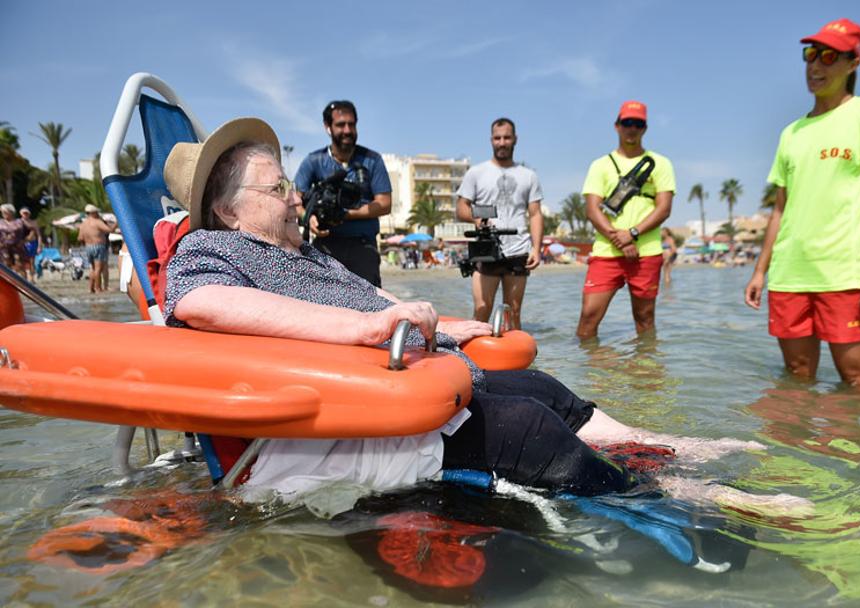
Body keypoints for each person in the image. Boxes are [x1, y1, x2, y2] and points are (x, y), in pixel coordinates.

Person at [161, 117, 791, 510]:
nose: (297, 197)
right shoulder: (208, 248)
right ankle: (691, 501)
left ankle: (665, 450)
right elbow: (198, 303)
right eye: (278, 190)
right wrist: (363, 328)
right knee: (526, 429)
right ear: (227, 210)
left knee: (546, 392)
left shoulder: (306, 255)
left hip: (398, 374)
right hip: (337, 417)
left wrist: (443, 323)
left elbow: (371, 297)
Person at [743, 19, 860, 391]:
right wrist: (759, 271)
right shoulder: (791, 132)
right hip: (790, 273)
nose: (816, 66)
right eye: (811, 55)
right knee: (797, 378)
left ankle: (846, 450)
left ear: (854, 63)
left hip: (846, 272)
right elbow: (780, 209)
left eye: (829, 56)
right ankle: (800, 451)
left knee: (856, 380)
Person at [576, 101, 675, 339]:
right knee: (588, 318)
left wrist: (632, 233)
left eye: (638, 124)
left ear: (645, 128)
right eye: (627, 123)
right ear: (617, 126)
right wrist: (619, 239)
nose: (632, 128)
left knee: (645, 319)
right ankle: (590, 375)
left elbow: (664, 209)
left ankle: (645, 373)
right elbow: (592, 209)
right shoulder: (600, 165)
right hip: (606, 252)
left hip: (647, 253)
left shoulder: (660, 164)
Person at [456, 118, 544, 329]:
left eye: (506, 137)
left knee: (513, 313)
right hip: (487, 249)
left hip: (518, 249)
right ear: (491, 140)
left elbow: (535, 214)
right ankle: (471, 359)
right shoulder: (476, 173)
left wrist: (537, 248)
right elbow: (461, 208)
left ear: (515, 139)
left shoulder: (528, 175)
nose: (502, 142)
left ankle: (516, 362)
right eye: (497, 138)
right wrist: (477, 218)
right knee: (482, 309)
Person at [295, 100, 391, 287]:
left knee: (370, 304)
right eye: (340, 125)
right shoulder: (314, 161)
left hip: (363, 246)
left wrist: (346, 215)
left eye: (351, 124)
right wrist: (309, 217)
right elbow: (295, 201)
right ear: (328, 127)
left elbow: (385, 203)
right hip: (326, 244)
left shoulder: (372, 160)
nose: (347, 130)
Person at [78, 204, 115, 293]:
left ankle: (91, 288)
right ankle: (98, 288)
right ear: (93, 213)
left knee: (92, 268)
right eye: (96, 212)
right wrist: (117, 223)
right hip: (98, 246)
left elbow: (80, 238)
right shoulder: (97, 222)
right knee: (98, 268)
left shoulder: (83, 224)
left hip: (88, 247)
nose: (98, 214)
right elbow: (109, 230)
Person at [0, 203, 26, 272]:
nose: (3, 214)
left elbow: (31, 230)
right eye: (2, 212)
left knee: (19, 264)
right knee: (6, 264)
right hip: (4, 247)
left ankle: (22, 281)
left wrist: (24, 240)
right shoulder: (1, 222)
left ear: (11, 212)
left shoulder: (19, 221)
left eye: (5, 212)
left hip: (17, 247)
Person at [18, 208, 40, 282]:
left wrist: (39, 246)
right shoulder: (18, 222)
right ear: (21, 214)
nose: (25, 215)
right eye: (24, 213)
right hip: (22, 243)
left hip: (32, 243)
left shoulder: (33, 223)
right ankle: (24, 277)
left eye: (26, 213)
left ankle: (32, 278)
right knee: (22, 261)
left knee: (32, 262)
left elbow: (39, 235)